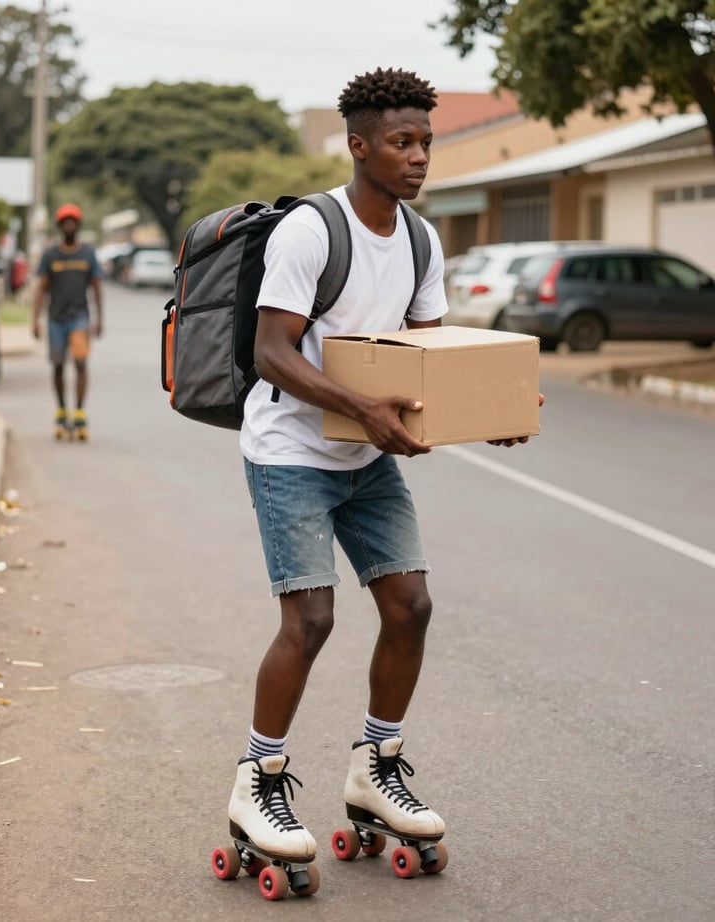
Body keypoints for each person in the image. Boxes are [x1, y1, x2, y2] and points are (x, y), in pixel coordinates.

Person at [226, 67, 544, 870]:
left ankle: (375, 768)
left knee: (411, 606)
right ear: (358, 145)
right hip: (291, 451)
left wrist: (488, 411)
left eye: (426, 143)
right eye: (402, 142)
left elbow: (430, 354)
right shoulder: (311, 231)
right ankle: (256, 780)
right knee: (311, 620)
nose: (418, 157)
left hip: (364, 455)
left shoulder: (419, 239)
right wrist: (363, 408)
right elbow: (270, 351)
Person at [33, 203, 103, 441]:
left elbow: (96, 287)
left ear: (78, 225)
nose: (69, 224)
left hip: (79, 318)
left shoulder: (87, 254)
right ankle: (62, 410)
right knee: (58, 365)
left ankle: (80, 411)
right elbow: (42, 289)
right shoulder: (51, 254)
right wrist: (35, 320)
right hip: (56, 319)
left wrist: (99, 318)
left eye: (73, 220)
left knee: (81, 363)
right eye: (65, 221)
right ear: (60, 226)